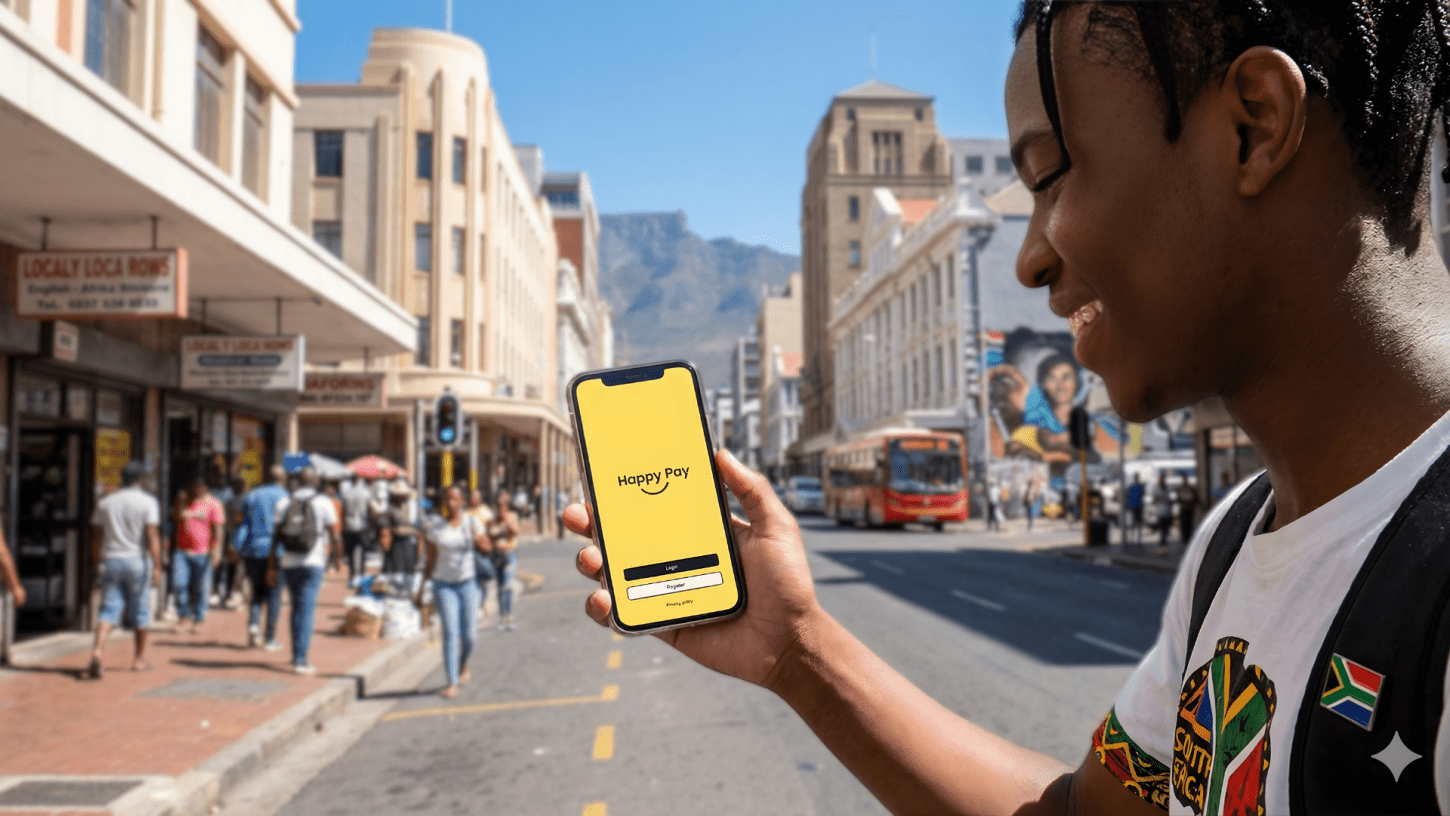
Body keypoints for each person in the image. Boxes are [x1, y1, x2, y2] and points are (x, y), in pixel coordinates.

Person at [573, 3, 1450, 811]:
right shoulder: (1234, 543)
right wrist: (796, 652)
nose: (1030, 257)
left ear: (1253, 127)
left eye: (1050, 176)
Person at [87, 461, 161, 677]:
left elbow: (95, 537)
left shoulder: (106, 502)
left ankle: (98, 651)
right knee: (140, 609)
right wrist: (157, 566)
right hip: (137, 560)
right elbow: (152, 535)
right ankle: (139, 659)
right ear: (141, 480)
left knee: (108, 609)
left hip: (111, 560)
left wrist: (95, 563)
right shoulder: (148, 502)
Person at [419, 486, 488, 698]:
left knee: (470, 635)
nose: (451, 503)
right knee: (450, 633)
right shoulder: (436, 527)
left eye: (455, 499)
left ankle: (463, 663)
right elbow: (430, 559)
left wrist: (479, 541)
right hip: (443, 585)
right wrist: (421, 587)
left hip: (468, 584)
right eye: (447, 499)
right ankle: (451, 682)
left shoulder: (471, 522)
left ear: (462, 502)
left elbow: (487, 548)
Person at [273, 466, 338, 674]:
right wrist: (337, 560)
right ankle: (301, 659)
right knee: (307, 609)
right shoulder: (323, 502)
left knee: (295, 607)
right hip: (313, 560)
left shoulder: (284, 501)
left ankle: (296, 653)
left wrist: (272, 565)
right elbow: (335, 534)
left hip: (289, 561)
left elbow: (276, 537)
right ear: (315, 482)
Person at [239, 465, 288, 650]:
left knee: (256, 592)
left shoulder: (252, 495)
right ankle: (270, 638)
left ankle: (253, 626)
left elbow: (241, 518)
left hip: (252, 548)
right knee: (274, 594)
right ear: (282, 479)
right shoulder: (285, 497)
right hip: (276, 551)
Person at [173, 477, 224, 634]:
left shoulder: (214, 504)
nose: (195, 491)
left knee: (202, 587)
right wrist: (180, 502)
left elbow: (218, 529)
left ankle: (199, 619)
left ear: (204, 488)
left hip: (203, 553)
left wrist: (217, 551)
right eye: (193, 487)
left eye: (198, 488)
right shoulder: (184, 501)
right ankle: (184, 615)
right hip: (182, 551)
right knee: (179, 584)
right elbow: (176, 517)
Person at [487, 489, 520, 630]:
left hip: (509, 554)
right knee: (500, 588)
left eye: (504, 504)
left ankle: (509, 616)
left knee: (507, 585)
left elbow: (515, 532)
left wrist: (505, 520)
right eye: (499, 504)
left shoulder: (512, 516)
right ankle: (502, 617)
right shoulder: (492, 520)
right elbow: (489, 536)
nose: (501, 507)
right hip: (497, 555)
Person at [215, 475, 246, 610]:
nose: (234, 488)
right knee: (234, 568)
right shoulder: (232, 500)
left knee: (236, 568)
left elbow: (235, 520)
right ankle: (231, 594)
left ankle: (232, 594)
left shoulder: (237, 500)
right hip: (236, 539)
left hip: (237, 539)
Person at [466, 489, 497, 621]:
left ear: (479, 499)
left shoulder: (486, 512)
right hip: (470, 550)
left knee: (486, 577)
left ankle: (482, 602)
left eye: (475, 497)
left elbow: (492, 529)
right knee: (475, 578)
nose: (472, 499)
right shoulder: (466, 513)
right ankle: (477, 606)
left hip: (483, 550)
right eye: (471, 497)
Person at [339, 474, 373, 585]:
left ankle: (352, 574)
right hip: (362, 525)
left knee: (349, 551)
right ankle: (360, 574)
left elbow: (343, 508)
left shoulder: (346, 493)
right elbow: (372, 509)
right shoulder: (366, 493)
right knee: (362, 551)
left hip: (348, 525)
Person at [1175, 478, 1198, 545]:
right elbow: (1178, 499)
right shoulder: (1180, 489)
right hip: (1184, 509)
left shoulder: (1190, 489)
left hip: (1189, 509)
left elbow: (1195, 499)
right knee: (1184, 525)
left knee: (1189, 524)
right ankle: (1185, 538)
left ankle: (1188, 538)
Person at [1125, 473, 1145, 544]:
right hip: (1138, 506)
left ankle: (1131, 539)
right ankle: (1138, 540)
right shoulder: (1140, 486)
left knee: (1132, 523)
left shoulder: (1130, 486)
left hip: (1132, 506)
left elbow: (1127, 495)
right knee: (1138, 523)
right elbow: (1142, 494)